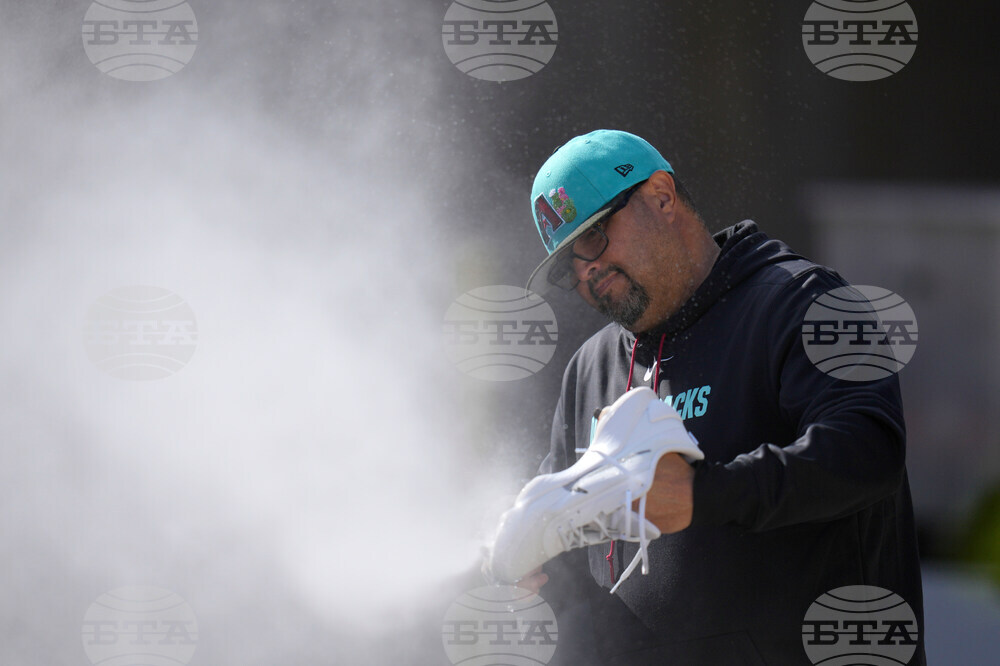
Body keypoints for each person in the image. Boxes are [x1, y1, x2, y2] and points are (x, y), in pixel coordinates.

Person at [516, 129, 925, 664]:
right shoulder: (590, 368)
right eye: (569, 263)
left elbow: (869, 452)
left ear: (661, 196)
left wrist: (700, 494)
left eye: (592, 237)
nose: (586, 269)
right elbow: (573, 554)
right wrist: (534, 564)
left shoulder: (806, 305)